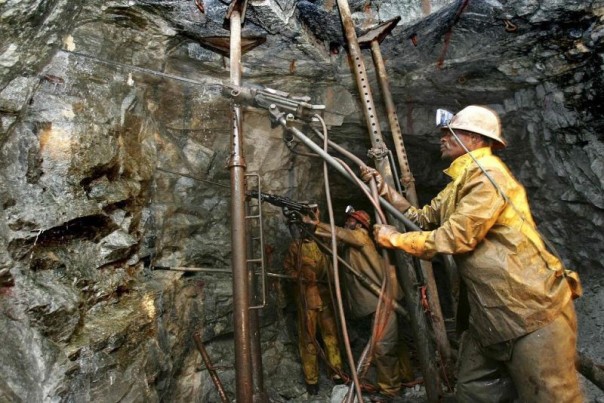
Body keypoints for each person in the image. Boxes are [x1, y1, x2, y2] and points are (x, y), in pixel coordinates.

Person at [364, 105, 583, 402]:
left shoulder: (487, 175)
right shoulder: (463, 180)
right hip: (489, 317)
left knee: (551, 397)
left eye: (452, 132)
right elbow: (421, 218)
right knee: (472, 393)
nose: (443, 137)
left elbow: (457, 238)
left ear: (476, 139)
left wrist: (395, 239)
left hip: (530, 310)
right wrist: (385, 190)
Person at [304, 208, 416, 401]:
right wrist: (315, 229)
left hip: (382, 298)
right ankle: (406, 376)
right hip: (379, 298)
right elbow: (332, 244)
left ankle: (390, 391)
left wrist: (317, 225)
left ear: (359, 224)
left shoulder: (361, 236)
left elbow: (341, 233)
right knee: (393, 341)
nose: (346, 222)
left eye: (350, 220)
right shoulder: (351, 246)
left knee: (383, 346)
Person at [283, 222, 344, 395]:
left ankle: (337, 372)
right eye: (303, 228)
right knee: (308, 339)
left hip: (325, 297)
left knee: (331, 336)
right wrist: (299, 276)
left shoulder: (322, 244)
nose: (306, 231)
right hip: (307, 299)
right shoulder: (295, 247)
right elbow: (287, 269)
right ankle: (312, 379)